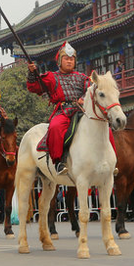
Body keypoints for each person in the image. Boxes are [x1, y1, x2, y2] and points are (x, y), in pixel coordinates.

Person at [27, 41, 91, 174]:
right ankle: (58, 162)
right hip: (64, 111)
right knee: (55, 126)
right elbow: (34, 87)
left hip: (82, 111)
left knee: (104, 125)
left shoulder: (82, 77)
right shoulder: (52, 77)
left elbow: (91, 90)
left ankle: (111, 159)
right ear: (60, 61)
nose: (69, 61)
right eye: (66, 59)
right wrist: (33, 74)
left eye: (72, 59)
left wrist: (84, 98)